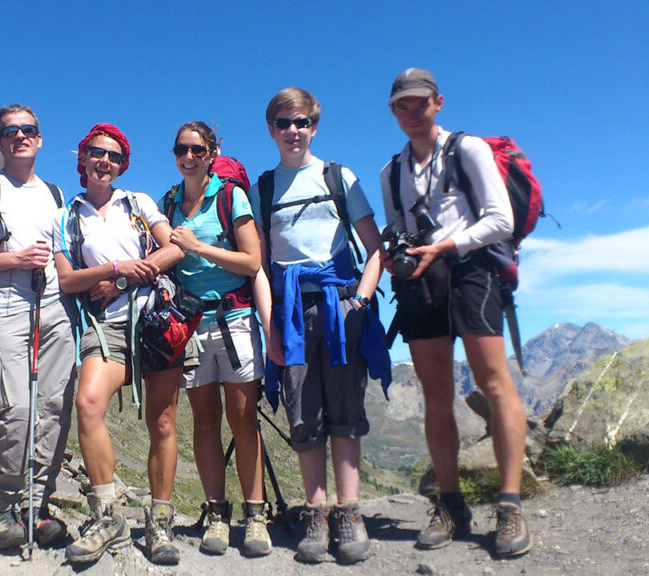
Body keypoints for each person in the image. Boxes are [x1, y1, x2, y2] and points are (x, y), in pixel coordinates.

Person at [380, 68, 531, 558]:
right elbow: (396, 226)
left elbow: (500, 219)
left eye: (419, 102)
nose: (412, 111)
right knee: (436, 392)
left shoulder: (467, 150)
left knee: (493, 382)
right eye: (402, 105)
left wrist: (445, 245)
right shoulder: (391, 171)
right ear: (393, 110)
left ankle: (509, 506)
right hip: (423, 279)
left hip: (472, 273)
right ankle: (451, 503)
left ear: (438, 103)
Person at [249, 88, 389, 565]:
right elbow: (260, 267)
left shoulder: (338, 177)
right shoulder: (263, 190)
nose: (294, 130)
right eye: (284, 122)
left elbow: (376, 249)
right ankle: (316, 511)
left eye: (302, 122)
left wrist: (362, 303)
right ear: (271, 130)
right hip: (289, 313)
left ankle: (349, 513)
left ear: (314, 127)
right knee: (303, 411)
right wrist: (270, 326)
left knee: (345, 409)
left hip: (341, 305)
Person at [53, 124, 185, 565]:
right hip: (104, 325)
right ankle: (107, 514)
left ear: (122, 163)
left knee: (162, 422)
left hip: (154, 319)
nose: (104, 162)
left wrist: (124, 277)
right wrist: (113, 267)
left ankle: (160, 520)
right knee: (88, 404)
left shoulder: (138, 203)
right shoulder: (66, 216)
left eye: (113, 156)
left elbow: (174, 250)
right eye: (96, 153)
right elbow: (69, 279)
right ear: (83, 158)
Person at [0, 104, 75, 551]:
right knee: (19, 411)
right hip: (4, 307)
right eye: (10, 131)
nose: (20, 136)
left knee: (53, 409)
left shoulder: (56, 194)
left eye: (28, 130)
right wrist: (15, 260)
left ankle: (36, 506)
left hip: (54, 308)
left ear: (39, 139)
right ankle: (4, 506)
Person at [162, 122, 273, 557]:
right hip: (190, 325)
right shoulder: (169, 202)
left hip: (234, 320)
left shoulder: (230, 197)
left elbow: (251, 261)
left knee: (243, 420)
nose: (188, 156)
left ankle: (256, 515)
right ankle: (217, 512)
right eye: (180, 149)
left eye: (196, 149)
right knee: (204, 422)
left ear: (211, 153)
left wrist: (197, 247)